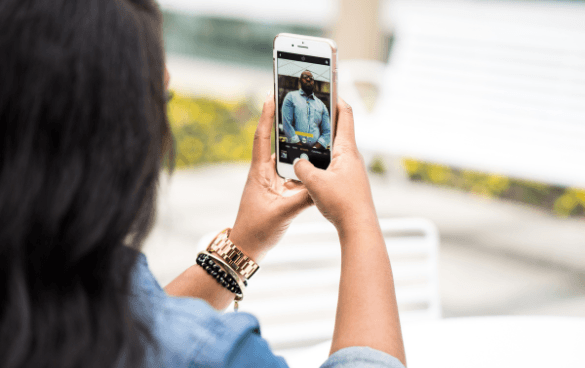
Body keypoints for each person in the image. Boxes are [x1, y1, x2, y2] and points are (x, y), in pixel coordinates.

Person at [0, 0, 406, 367]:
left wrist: (243, 243)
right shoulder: (220, 355)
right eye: (161, 100)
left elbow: (142, 323)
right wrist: (358, 221)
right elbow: (165, 341)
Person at [282, 71, 331, 149]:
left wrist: (315, 149)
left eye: (311, 78)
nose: (308, 79)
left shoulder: (321, 105)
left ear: (313, 82)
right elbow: (287, 124)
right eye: (305, 77)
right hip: (293, 150)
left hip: (315, 154)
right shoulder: (291, 97)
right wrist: (299, 147)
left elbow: (328, 131)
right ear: (300, 80)